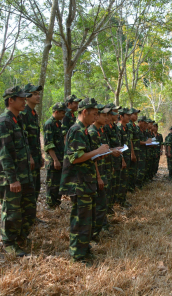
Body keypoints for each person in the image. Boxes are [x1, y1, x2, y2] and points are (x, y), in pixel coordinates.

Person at [59, 97, 110, 263]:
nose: (95, 117)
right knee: (80, 219)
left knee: (87, 218)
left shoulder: (84, 130)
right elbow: (75, 158)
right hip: (78, 183)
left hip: (86, 182)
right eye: (94, 114)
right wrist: (98, 150)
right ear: (84, 112)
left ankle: (84, 247)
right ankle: (77, 253)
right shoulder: (77, 130)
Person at [0, 86, 35, 257]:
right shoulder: (3, 122)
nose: (25, 101)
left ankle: (20, 237)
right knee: (11, 212)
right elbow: (4, 155)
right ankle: (9, 242)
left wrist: (29, 157)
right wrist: (12, 179)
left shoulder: (17, 120)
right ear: (11, 100)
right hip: (10, 178)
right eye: (22, 98)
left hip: (23, 175)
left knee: (27, 210)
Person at [88, 105, 121, 240]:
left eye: (108, 115)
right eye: (104, 115)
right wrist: (98, 176)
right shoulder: (92, 132)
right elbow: (93, 157)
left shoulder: (100, 131)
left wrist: (112, 151)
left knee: (103, 201)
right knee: (98, 204)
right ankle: (94, 233)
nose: (107, 118)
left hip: (104, 168)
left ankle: (101, 227)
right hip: (97, 172)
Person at [20, 84, 45, 205]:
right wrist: (29, 157)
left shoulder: (34, 114)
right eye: (34, 94)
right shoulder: (23, 114)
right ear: (27, 96)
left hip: (35, 157)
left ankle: (32, 216)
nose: (38, 96)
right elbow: (23, 138)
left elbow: (35, 138)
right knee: (28, 189)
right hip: (27, 159)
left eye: (38, 94)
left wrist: (39, 155)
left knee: (36, 187)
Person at [44, 102, 69, 209]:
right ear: (56, 112)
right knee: (52, 183)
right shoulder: (49, 123)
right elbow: (49, 144)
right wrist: (55, 160)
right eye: (62, 113)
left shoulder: (58, 123)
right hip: (53, 159)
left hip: (60, 157)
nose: (64, 115)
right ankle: (51, 205)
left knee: (59, 182)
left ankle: (56, 203)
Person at [117, 108, 134, 207]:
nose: (129, 117)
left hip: (127, 156)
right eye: (127, 115)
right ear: (121, 116)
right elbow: (119, 145)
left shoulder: (126, 127)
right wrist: (122, 159)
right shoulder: (118, 128)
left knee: (125, 179)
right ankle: (120, 201)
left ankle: (123, 199)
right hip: (121, 158)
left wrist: (132, 154)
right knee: (121, 180)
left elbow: (129, 142)